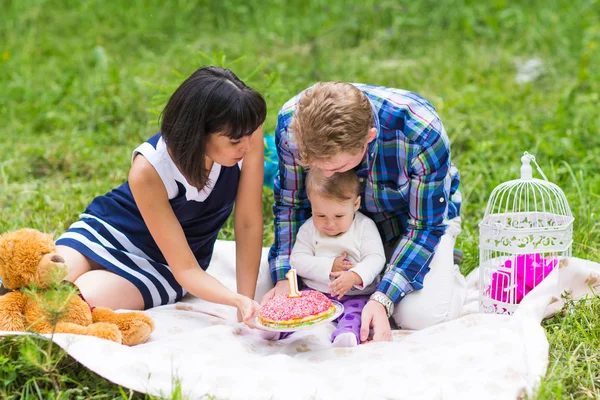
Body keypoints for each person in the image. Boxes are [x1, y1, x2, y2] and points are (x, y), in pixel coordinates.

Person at [56, 66, 266, 327]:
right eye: (235, 142)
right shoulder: (149, 168)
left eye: (248, 136)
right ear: (198, 132)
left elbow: (246, 223)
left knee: (74, 300)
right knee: (45, 276)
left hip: (165, 265)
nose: (247, 146)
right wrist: (235, 300)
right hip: (109, 230)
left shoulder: (246, 130)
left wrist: (243, 302)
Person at [264, 82, 465, 341]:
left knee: (420, 317)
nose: (325, 175)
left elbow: (424, 227)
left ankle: (449, 269)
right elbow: (292, 206)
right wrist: (285, 279)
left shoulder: (420, 133)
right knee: (268, 299)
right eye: (315, 165)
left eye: (338, 166)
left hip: (412, 225)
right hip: (333, 230)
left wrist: (382, 299)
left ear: (368, 138)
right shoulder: (293, 125)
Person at [290, 168, 385, 347]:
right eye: (321, 215)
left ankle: (347, 334)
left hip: (354, 294)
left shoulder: (364, 227)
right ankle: (278, 331)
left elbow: (376, 257)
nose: (330, 224)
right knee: (298, 307)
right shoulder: (309, 229)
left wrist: (355, 275)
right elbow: (297, 260)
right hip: (315, 291)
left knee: (357, 312)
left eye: (339, 216)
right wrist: (329, 266)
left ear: (355, 204)